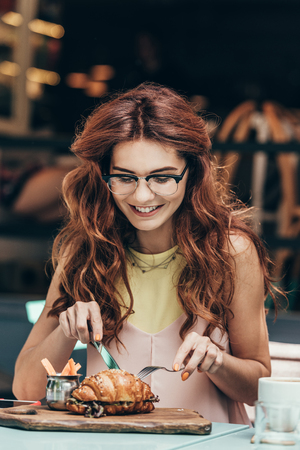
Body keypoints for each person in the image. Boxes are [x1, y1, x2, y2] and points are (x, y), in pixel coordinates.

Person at [13, 83, 276, 424]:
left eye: (162, 178)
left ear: (191, 173)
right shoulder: (85, 252)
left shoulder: (230, 251)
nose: (141, 196)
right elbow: (25, 388)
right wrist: (65, 332)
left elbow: (259, 386)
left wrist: (218, 361)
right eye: (125, 178)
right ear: (105, 176)